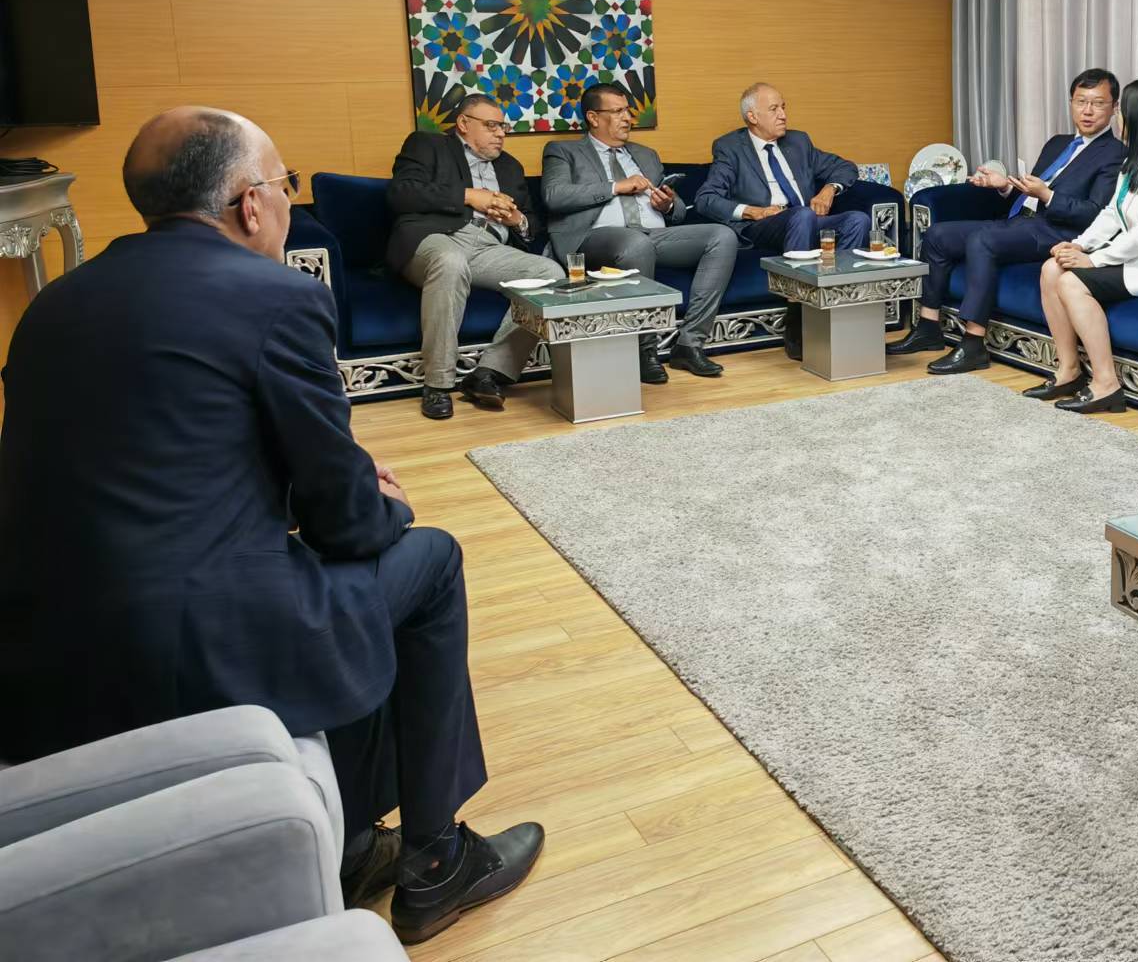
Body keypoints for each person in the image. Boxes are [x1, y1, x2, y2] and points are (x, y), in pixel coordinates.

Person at [0, 108, 543, 946]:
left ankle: (353, 843)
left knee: (334, 570)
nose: (289, 200)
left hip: (45, 651)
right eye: (286, 183)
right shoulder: (278, 296)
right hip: (186, 648)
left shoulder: (55, 303)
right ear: (252, 203)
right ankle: (436, 859)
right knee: (425, 557)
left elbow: (161, 456)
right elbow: (347, 523)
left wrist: (323, 487)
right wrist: (380, 499)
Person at [887, 68, 1124, 375]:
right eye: (1081, 102)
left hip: (1058, 232)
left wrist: (1048, 195)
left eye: (1098, 103)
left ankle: (973, 343)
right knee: (937, 235)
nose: (1088, 111)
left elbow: (1095, 212)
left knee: (982, 239)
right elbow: (1030, 195)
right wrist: (1004, 187)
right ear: (1071, 103)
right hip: (1023, 223)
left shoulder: (1115, 154)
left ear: (1114, 107)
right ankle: (928, 327)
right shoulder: (1057, 143)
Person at [1026, 78, 1138, 414]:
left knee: (1071, 282)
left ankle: (1106, 384)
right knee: (1052, 268)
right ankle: (1068, 370)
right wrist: (1078, 246)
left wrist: (1094, 261)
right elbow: (1112, 212)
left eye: (1122, 110)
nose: (1118, 116)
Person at [541, 83, 735, 381]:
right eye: (618, 111)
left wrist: (667, 204)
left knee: (722, 236)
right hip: (595, 239)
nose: (627, 118)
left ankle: (689, 344)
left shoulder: (646, 155)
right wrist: (616, 187)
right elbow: (554, 196)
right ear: (593, 117)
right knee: (634, 243)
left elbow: (678, 211)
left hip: (651, 236)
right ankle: (645, 350)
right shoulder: (563, 151)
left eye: (628, 111)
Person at [386, 94, 562, 419]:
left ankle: (489, 373)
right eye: (491, 125)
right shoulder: (428, 145)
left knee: (551, 273)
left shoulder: (510, 166)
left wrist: (516, 220)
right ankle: (438, 384)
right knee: (450, 261)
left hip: (489, 248)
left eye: (503, 127)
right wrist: (469, 196)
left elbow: (530, 222)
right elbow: (402, 194)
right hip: (435, 238)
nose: (500, 133)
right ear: (464, 124)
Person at [695, 82, 870, 358]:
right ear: (752, 117)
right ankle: (798, 314)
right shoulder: (730, 147)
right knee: (802, 214)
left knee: (857, 220)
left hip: (805, 218)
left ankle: (840, 305)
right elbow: (706, 199)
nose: (783, 115)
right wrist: (754, 211)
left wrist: (828, 189)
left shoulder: (798, 142)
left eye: (784, 107)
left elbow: (845, 167)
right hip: (762, 225)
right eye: (774, 109)